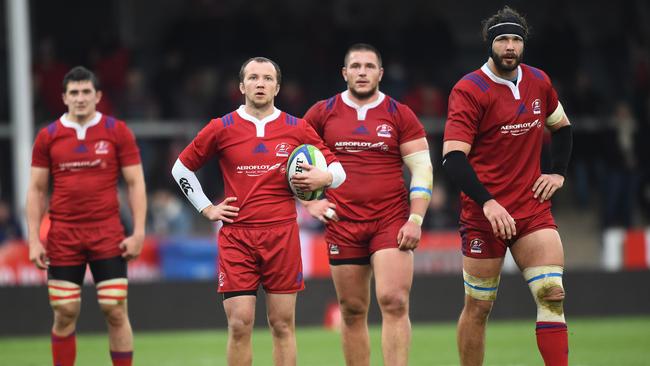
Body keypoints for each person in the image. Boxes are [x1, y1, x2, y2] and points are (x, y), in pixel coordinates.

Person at [171, 57, 345, 366]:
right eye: (253, 78)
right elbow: (180, 168)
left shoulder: (297, 128)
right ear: (241, 86)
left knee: (282, 325)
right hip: (237, 236)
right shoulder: (221, 127)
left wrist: (326, 178)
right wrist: (206, 207)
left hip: (282, 235)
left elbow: (338, 169)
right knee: (239, 324)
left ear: (277, 87)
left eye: (267, 78)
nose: (260, 83)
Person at [442, 7, 573, 366]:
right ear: (490, 43)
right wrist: (487, 202)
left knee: (552, 294)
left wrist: (558, 173)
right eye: (503, 39)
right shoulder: (469, 89)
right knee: (479, 308)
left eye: (516, 39)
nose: (510, 46)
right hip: (484, 215)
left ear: (523, 43)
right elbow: (453, 158)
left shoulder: (538, 81)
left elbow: (562, 127)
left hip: (531, 210)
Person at [302, 43, 433, 366]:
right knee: (352, 310)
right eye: (356, 66)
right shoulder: (322, 112)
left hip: (390, 220)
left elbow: (422, 168)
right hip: (342, 223)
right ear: (344, 72)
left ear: (381, 73)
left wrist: (415, 220)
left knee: (394, 300)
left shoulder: (399, 113)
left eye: (369, 66)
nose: (362, 72)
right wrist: (309, 203)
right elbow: (293, 162)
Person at [26, 66, 147, 366]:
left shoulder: (117, 131)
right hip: (63, 234)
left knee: (115, 308)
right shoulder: (48, 136)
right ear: (64, 97)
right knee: (65, 311)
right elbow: (36, 190)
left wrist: (140, 232)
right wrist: (33, 240)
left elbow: (135, 182)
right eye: (74, 93)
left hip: (107, 231)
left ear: (98, 96)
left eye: (86, 92)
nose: (80, 98)